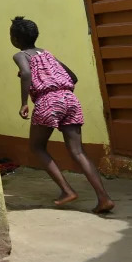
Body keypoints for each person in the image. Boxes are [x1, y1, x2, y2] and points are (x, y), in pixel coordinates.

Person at [11, 16, 114, 214]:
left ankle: (67, 190)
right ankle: (104, 198)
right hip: (69, 98)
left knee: (37, 147)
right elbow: (72, 77)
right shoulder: (48, 54)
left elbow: (25, 74)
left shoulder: (21, 55)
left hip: (48, 100)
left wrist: (24, 102)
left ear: (15, 39)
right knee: (78, 151)